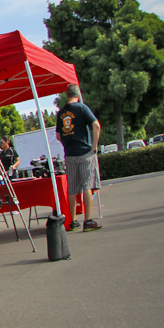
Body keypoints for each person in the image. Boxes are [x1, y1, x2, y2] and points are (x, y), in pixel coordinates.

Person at [56, 84, 102, 231]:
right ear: (78, 94)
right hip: (84, 152)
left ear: (67, 95)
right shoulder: (82, 108)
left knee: (73, 188)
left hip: (69, 154)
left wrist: (67, 144)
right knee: (87, 185)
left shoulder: (61, 112)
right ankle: (88, 220)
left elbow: (58, 135)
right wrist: (94, 145)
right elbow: (96, 125)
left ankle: (73, 221)